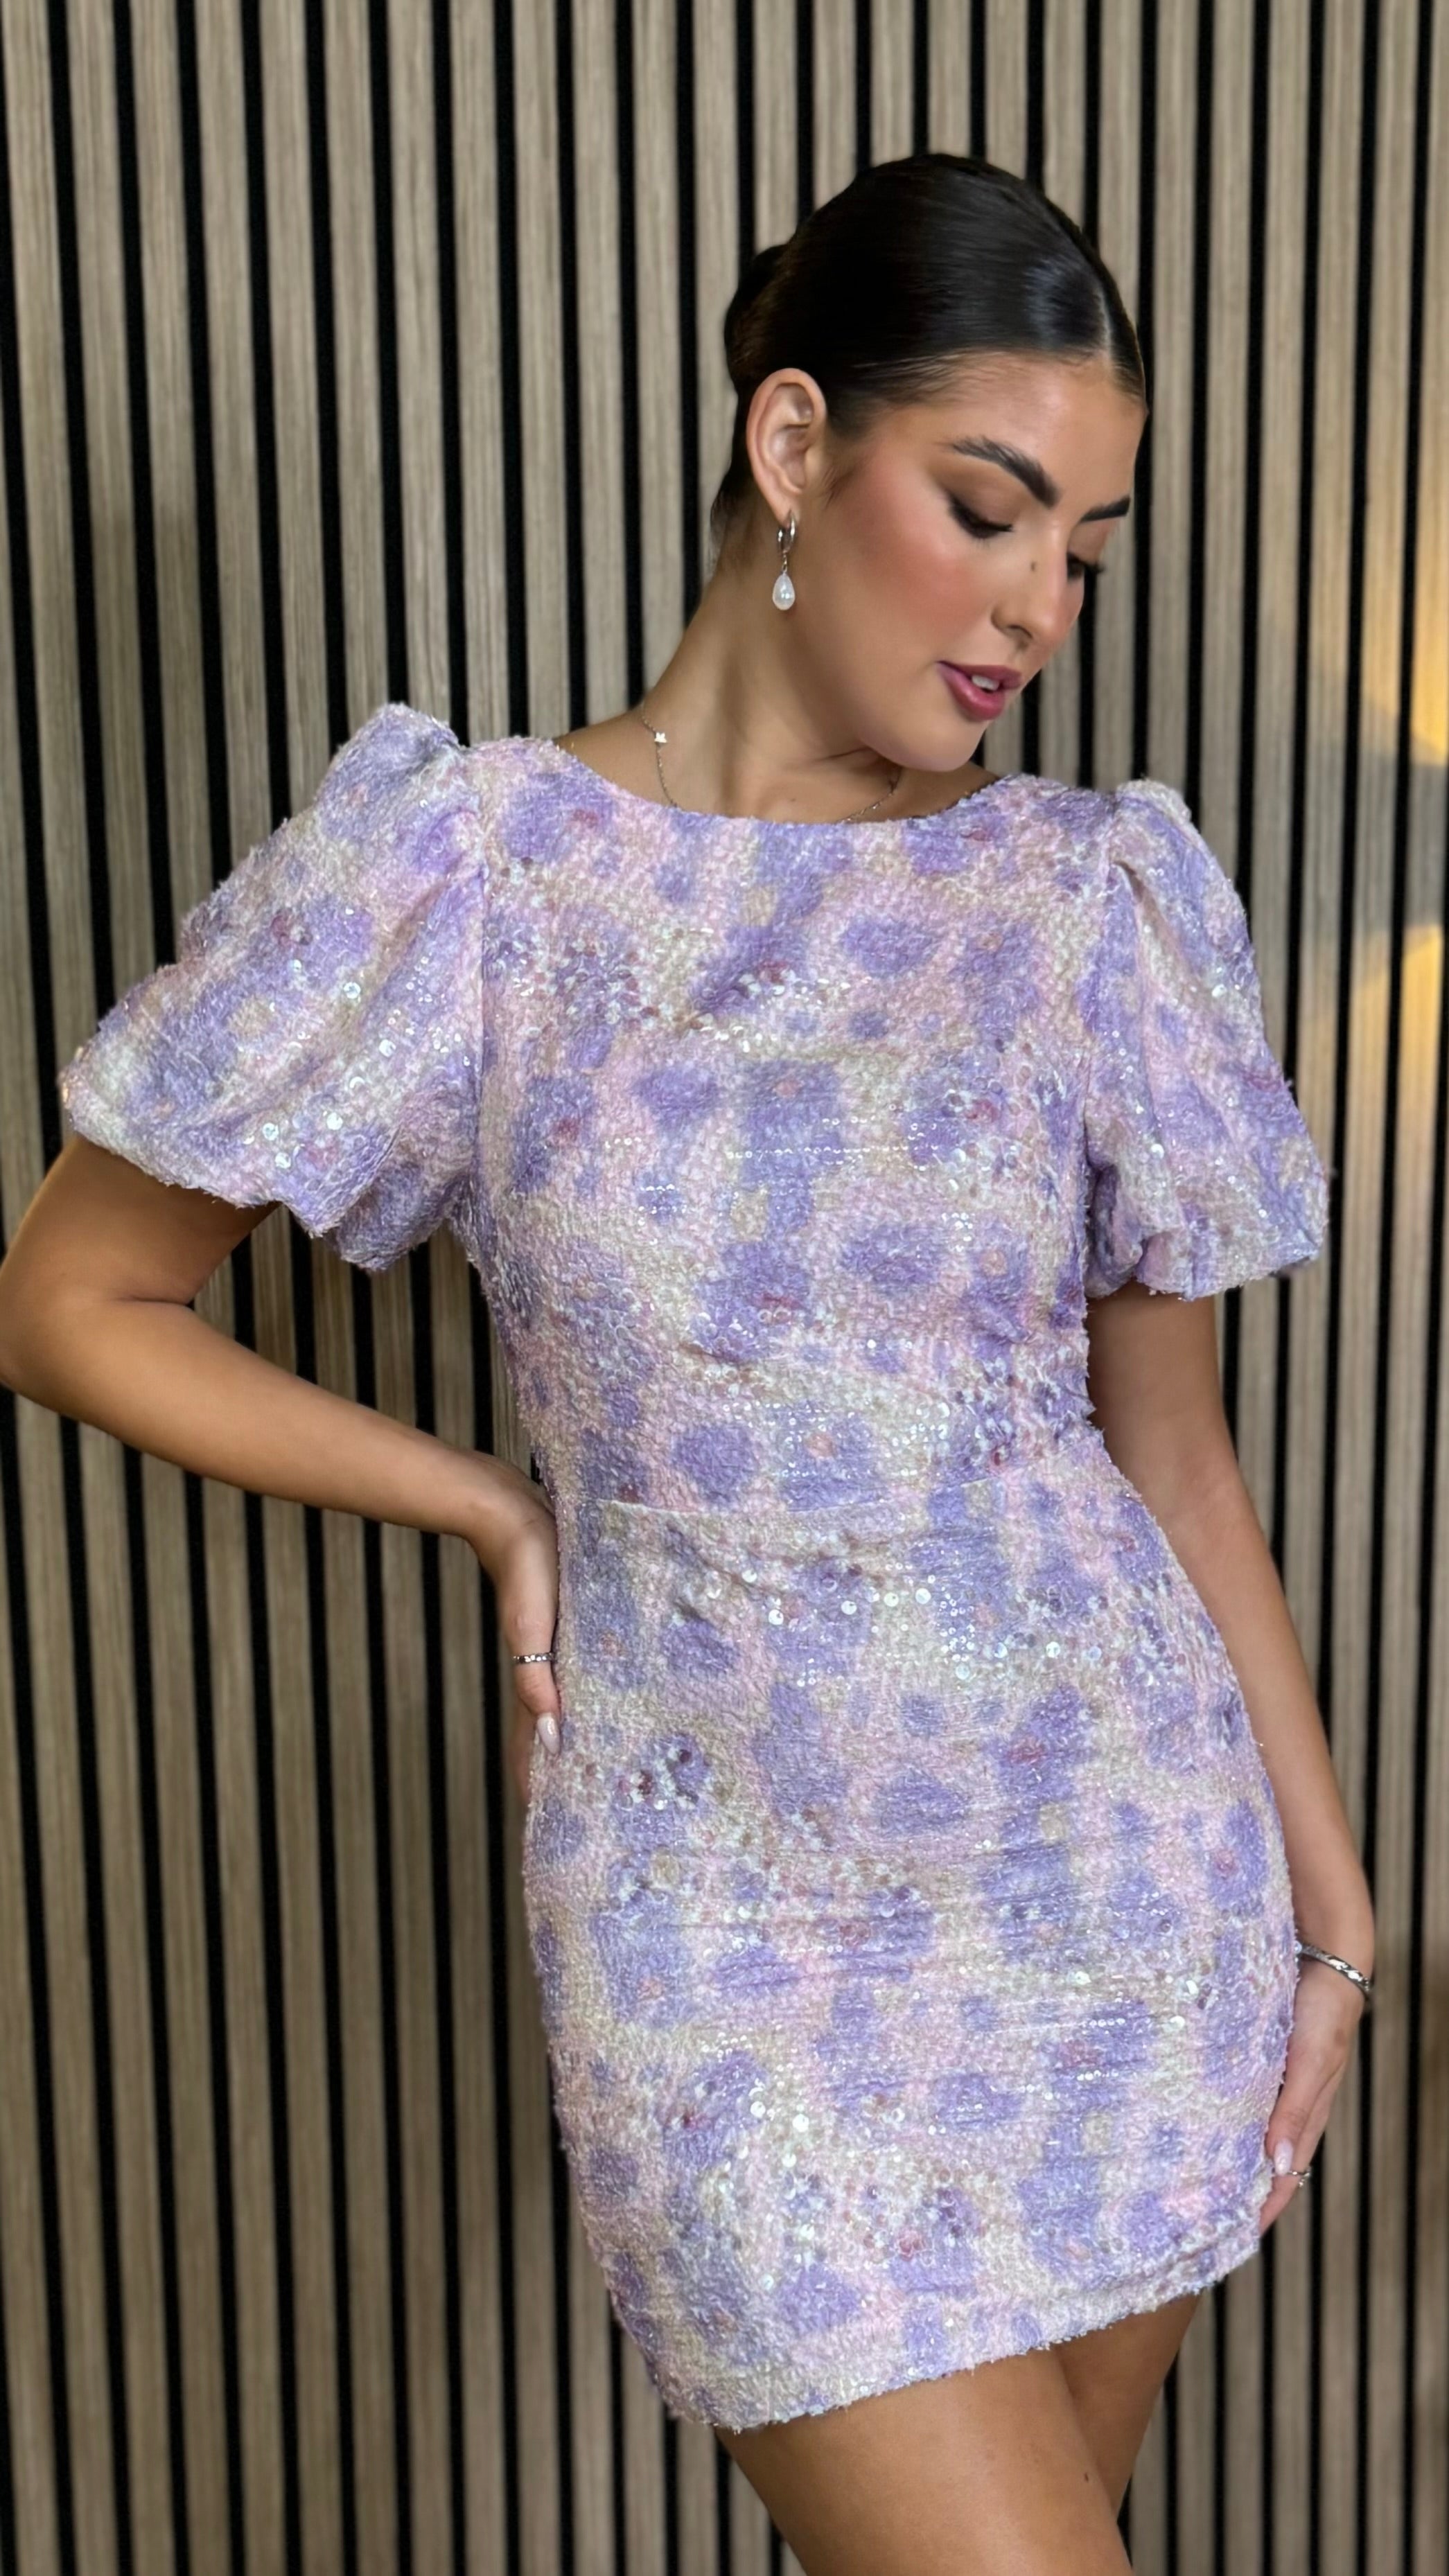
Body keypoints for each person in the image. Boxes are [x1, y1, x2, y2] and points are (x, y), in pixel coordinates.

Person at [0, 152, 1373, 2573]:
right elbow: (69, 1297)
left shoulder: (1082, 897)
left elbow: (1176, 1466)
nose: (1037, 607)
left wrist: (1330, 1919)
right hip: (724, 1944)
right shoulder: (482, 872)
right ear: (791, 444)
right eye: (987, 510)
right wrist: (490, 1502)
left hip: (1109, 1890)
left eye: (1084, 549)